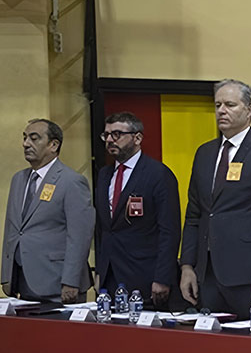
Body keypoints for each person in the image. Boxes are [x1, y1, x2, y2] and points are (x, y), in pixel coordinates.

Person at [180, 79, 251, 318]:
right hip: (207, 273)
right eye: (218, 104)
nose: (221, 111)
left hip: (249, 274)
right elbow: (195, 214)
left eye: (230, 104)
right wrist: (187, 265)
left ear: (250, 110)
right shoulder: (205, 153)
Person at [93, 112, 180, 309]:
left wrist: (163, 277)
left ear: (137, 138)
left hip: (145, 274)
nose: (109, 140)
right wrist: (100, 271)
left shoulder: (158, 174)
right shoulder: (105, 175)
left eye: (116, 134)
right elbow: (103, 229)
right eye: (106, 135)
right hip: (110, 276)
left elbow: (169, 230)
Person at [2, 118, 93, 303]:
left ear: (53, 145)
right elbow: (12, 228)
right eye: (25, 138)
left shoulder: (71, 181)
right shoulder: (18, 179)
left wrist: (71, 280)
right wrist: (6, 275)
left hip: (58, 281)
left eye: (34, 138)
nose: (26, 144)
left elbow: (80, 236)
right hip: (22, 279)